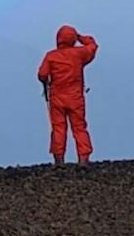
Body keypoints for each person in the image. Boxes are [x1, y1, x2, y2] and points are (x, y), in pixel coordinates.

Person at [36, 22, 98, 165]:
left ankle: (59, 160)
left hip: (57, 97)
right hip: (76, 97)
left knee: (58, 127)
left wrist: (47, 82)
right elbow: (93, 46)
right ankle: (83, 158)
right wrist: (80, 37)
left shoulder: (51, 56)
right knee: (79, 127)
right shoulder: (79, 54)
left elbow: (42, 74)